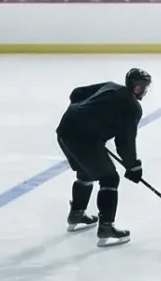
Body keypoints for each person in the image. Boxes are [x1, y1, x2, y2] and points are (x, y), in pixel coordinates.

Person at [57, 67, 150, 246]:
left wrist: (84, 116)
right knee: (109, 178)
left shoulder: (111, 86)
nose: (141, 91)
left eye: (144, 87)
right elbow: (125, 142)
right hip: (82, 138)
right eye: (138, 86)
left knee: (87, 171)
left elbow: (77, 93)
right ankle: (106, 227)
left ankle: (77, 214)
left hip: (65, 129)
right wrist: (133, 166)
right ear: (130, 84)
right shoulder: (132, 108)